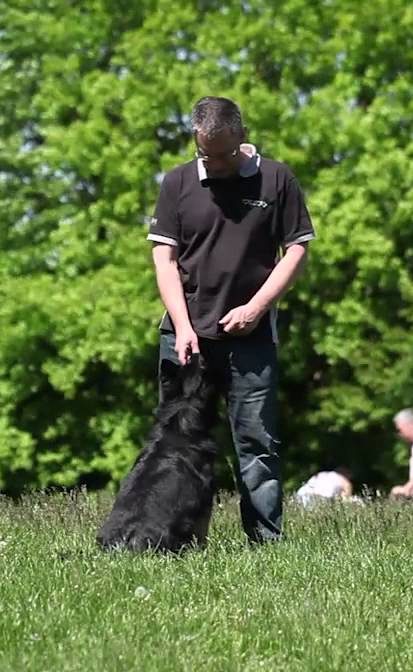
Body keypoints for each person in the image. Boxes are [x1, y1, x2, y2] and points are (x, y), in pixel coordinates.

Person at [146, 96, 315, 543]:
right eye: (206, 154)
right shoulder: (178, 182)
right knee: (176, 444)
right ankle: (175, 540)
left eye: (222, 154)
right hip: (185, 337)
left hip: (251, 339)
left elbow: (296, 249)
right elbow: (164, 259)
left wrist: (256, 308)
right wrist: (182, 327)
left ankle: (265, 544)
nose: (214, 164)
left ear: (241, 135)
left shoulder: (277, 179)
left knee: (257, 444)